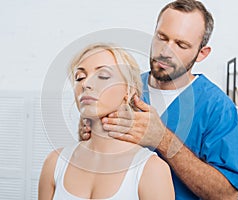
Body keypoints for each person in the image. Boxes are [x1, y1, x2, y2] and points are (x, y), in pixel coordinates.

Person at [81, 0, 238, 199]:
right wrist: (87, 135)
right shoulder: (124, 88)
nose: (165, 52)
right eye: (162, 37)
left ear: (202, 53)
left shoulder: (217, 108)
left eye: (181, 45)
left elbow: (226, 195)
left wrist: (163, 140)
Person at [38, 43, 175, 200]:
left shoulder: (152, 170)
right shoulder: (55, 163)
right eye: (79, 77)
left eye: (103, 76)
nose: (86, 84)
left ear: (129, 91)